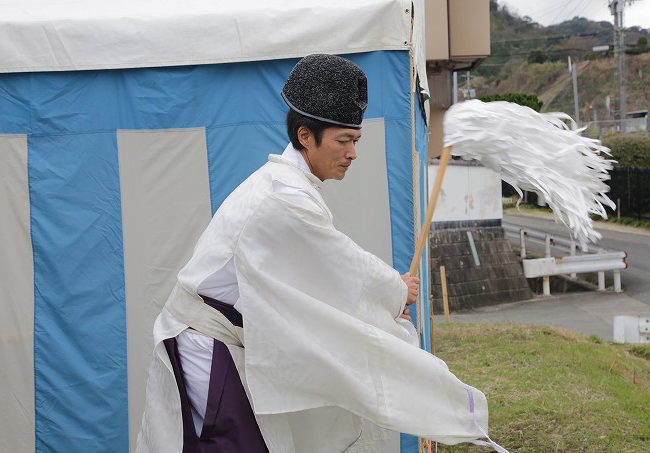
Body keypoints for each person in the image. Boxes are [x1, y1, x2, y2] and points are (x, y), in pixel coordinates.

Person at [137, 54, 492, 453]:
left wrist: (388, 297)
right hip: (205, 346)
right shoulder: (283, 196)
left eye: (355, 141)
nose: (353, 153)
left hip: (221, 344)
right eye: (344, 141)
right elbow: (339, 265)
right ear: (306, 136)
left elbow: (314, 284)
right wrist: (394, 290)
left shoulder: (290, 186)